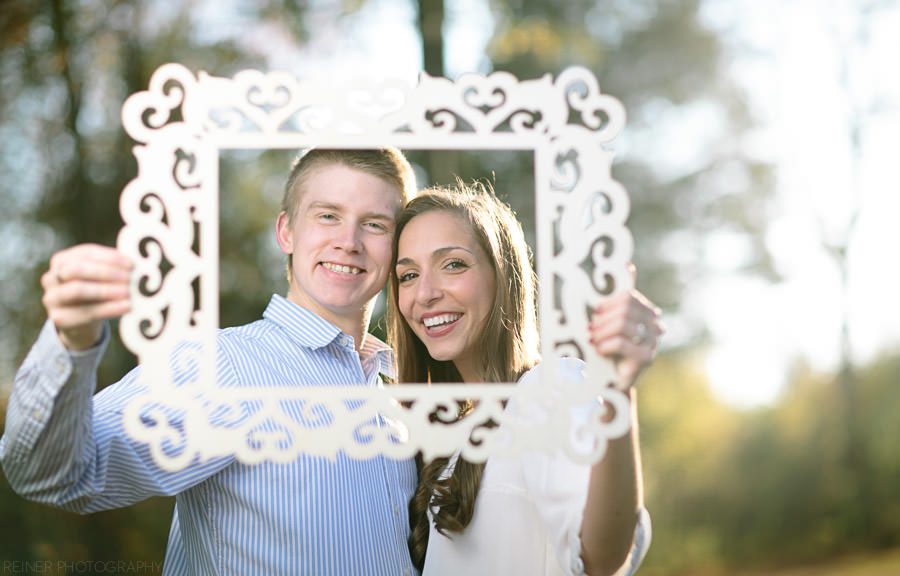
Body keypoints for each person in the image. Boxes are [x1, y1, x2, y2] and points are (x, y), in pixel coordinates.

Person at [0, 148, 421, 575]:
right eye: (327, 216)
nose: (348, 242)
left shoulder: (399, 396)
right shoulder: (223, 367)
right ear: (286, 232)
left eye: (374, 224)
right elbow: (50, 473)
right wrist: (70, 343)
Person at [386, 183, 662, 576]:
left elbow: (601, 557)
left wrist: (618, 391)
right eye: (408, 275)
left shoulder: (546, 391)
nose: (424, 293)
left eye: (453, 264)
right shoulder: (444, 439)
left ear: (502, 279)